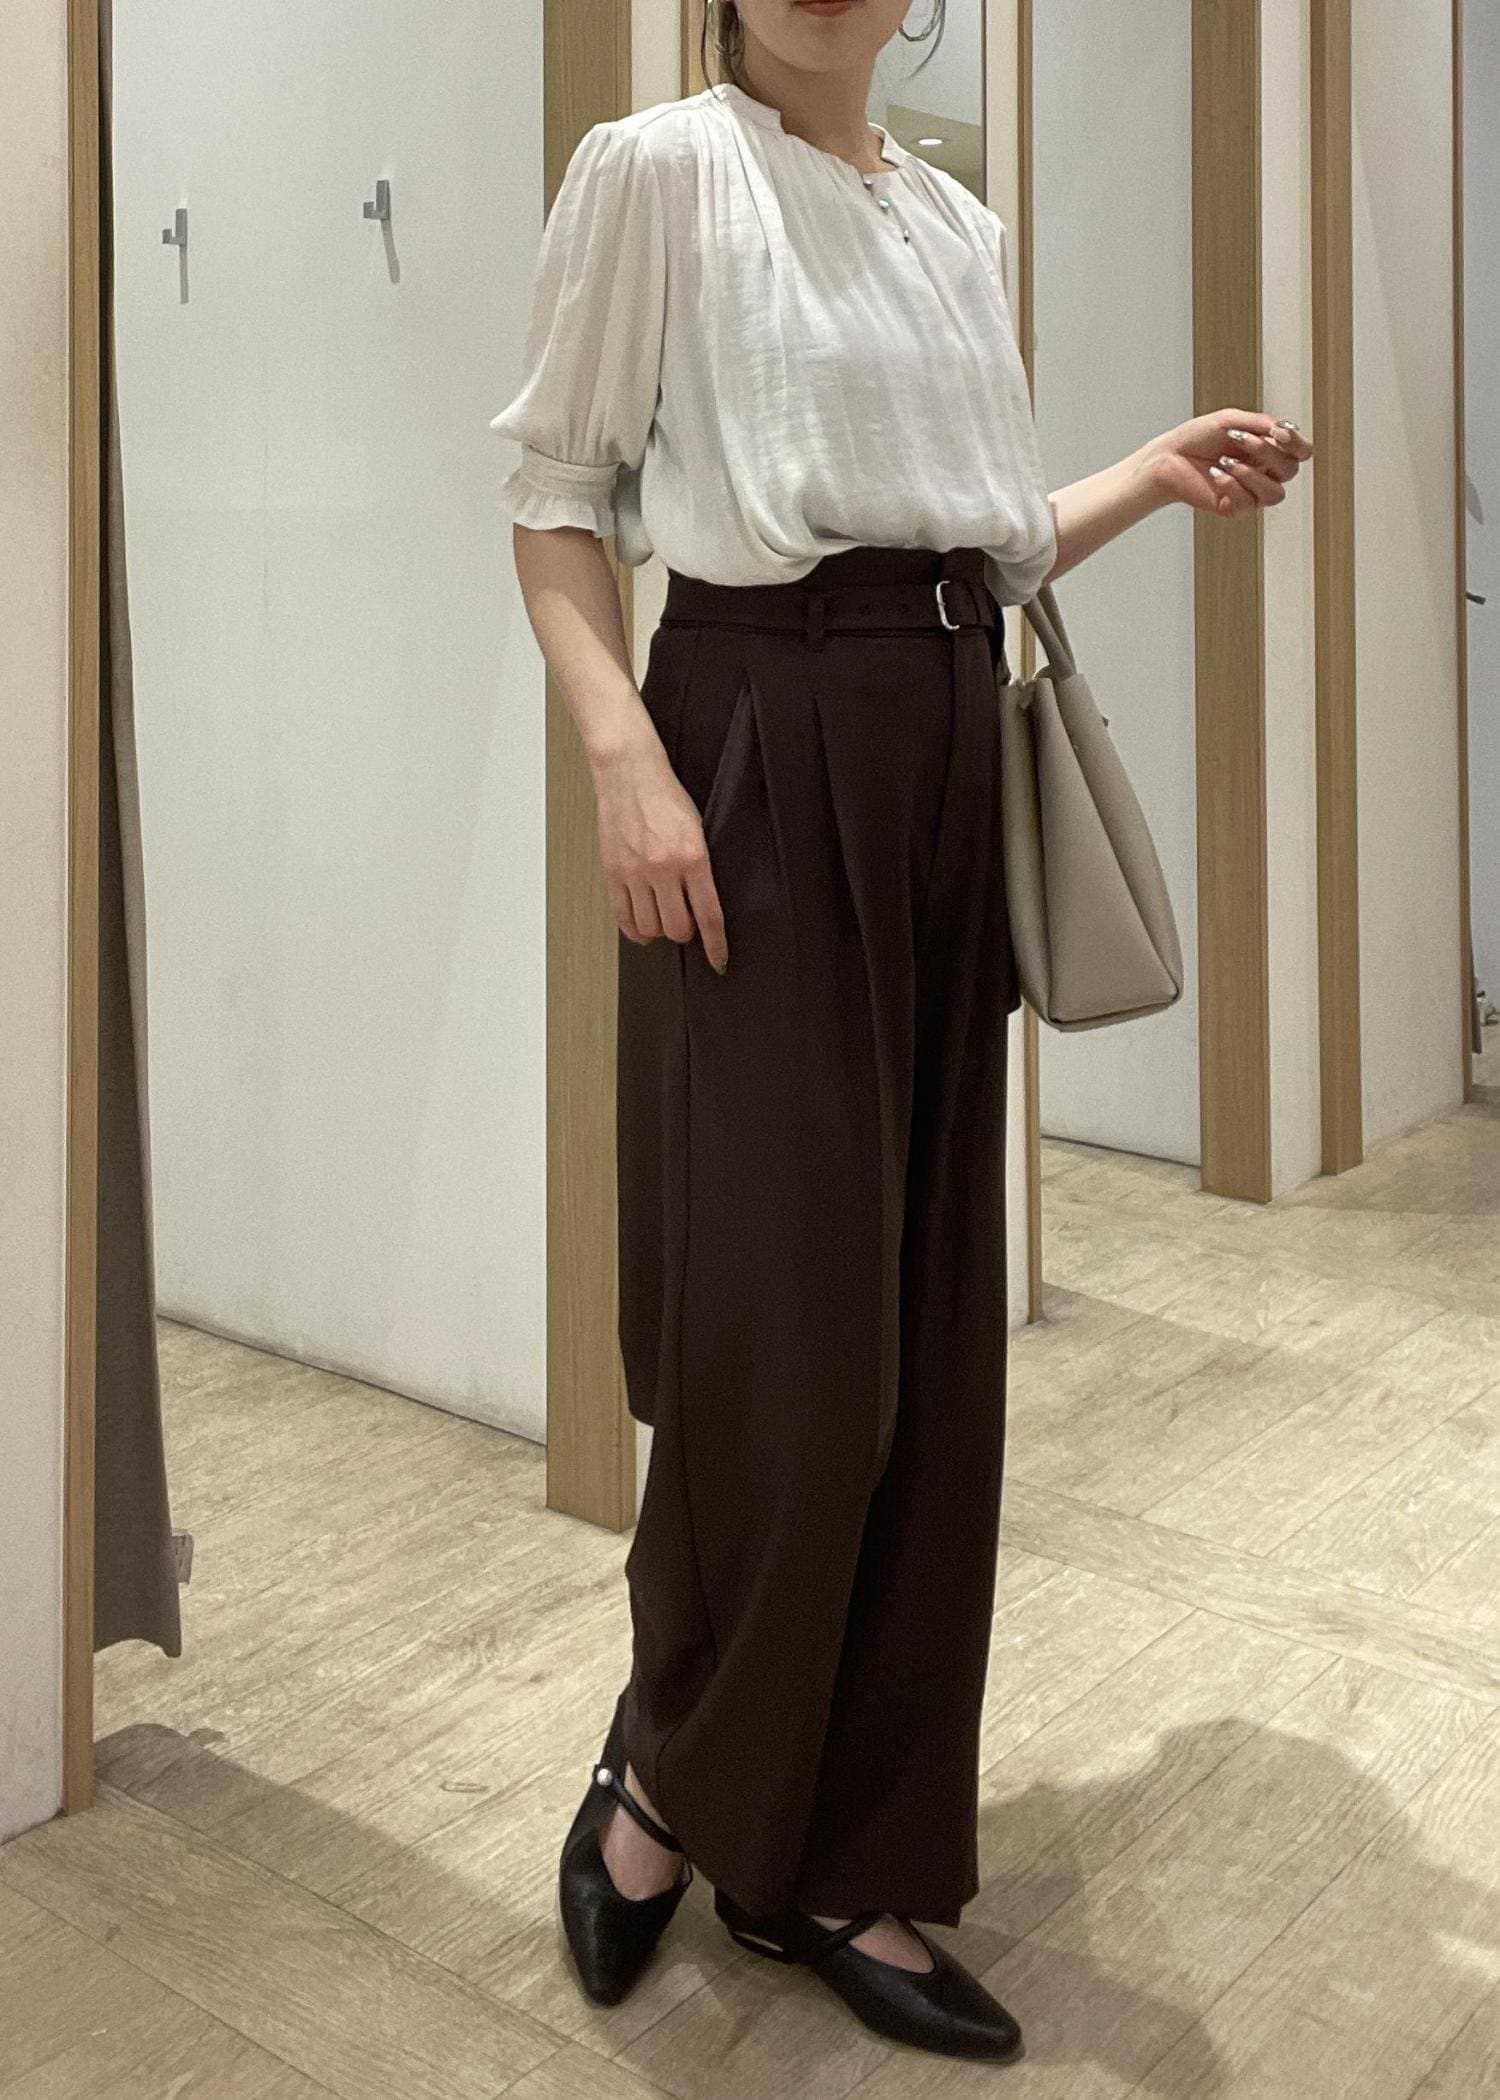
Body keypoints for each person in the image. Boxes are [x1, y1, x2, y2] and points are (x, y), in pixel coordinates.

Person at [489, 0, 1310, 2064]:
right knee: (781, 1337)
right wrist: (623, 756)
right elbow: (556, 497)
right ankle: (675, 1774)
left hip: (944, 744)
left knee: (927, 1339)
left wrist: (1150, 473)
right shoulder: (659, 171)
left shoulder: (955, 223)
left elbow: (976, 535)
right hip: (756, 739)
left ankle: (838, 1854)